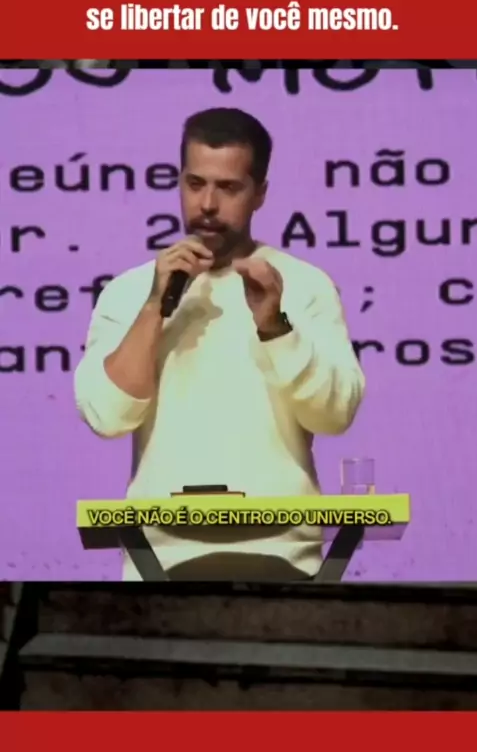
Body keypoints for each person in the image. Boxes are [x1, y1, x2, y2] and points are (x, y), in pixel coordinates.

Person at [74, 107, 365, 581]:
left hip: (285, 552)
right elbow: (107, 417)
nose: (207, 204)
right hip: (158, 558)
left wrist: (275, 327)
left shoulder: (304, 285)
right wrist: (155, 306)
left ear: (259, 194)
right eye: (195, 184)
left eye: (228, 188)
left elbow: (335, 416)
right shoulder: (130, 291)